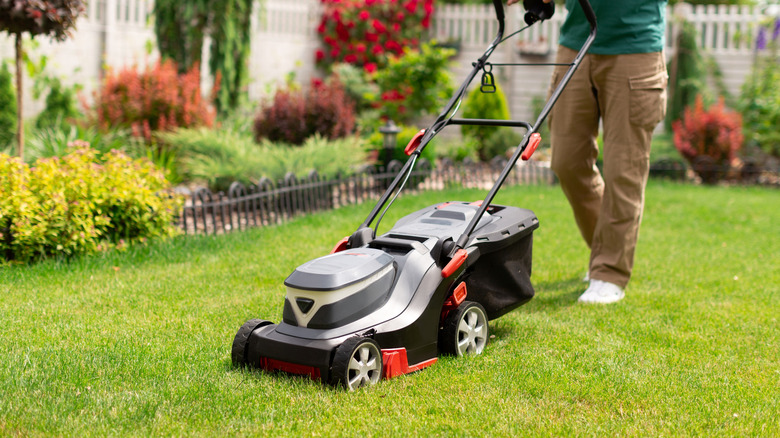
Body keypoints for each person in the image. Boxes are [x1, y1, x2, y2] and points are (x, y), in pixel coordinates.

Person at [508, 0, 668, 303]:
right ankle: (604, 252)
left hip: (635, 47)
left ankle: (609, 272)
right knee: (567, 161)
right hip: (576, 44)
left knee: (624, 170)